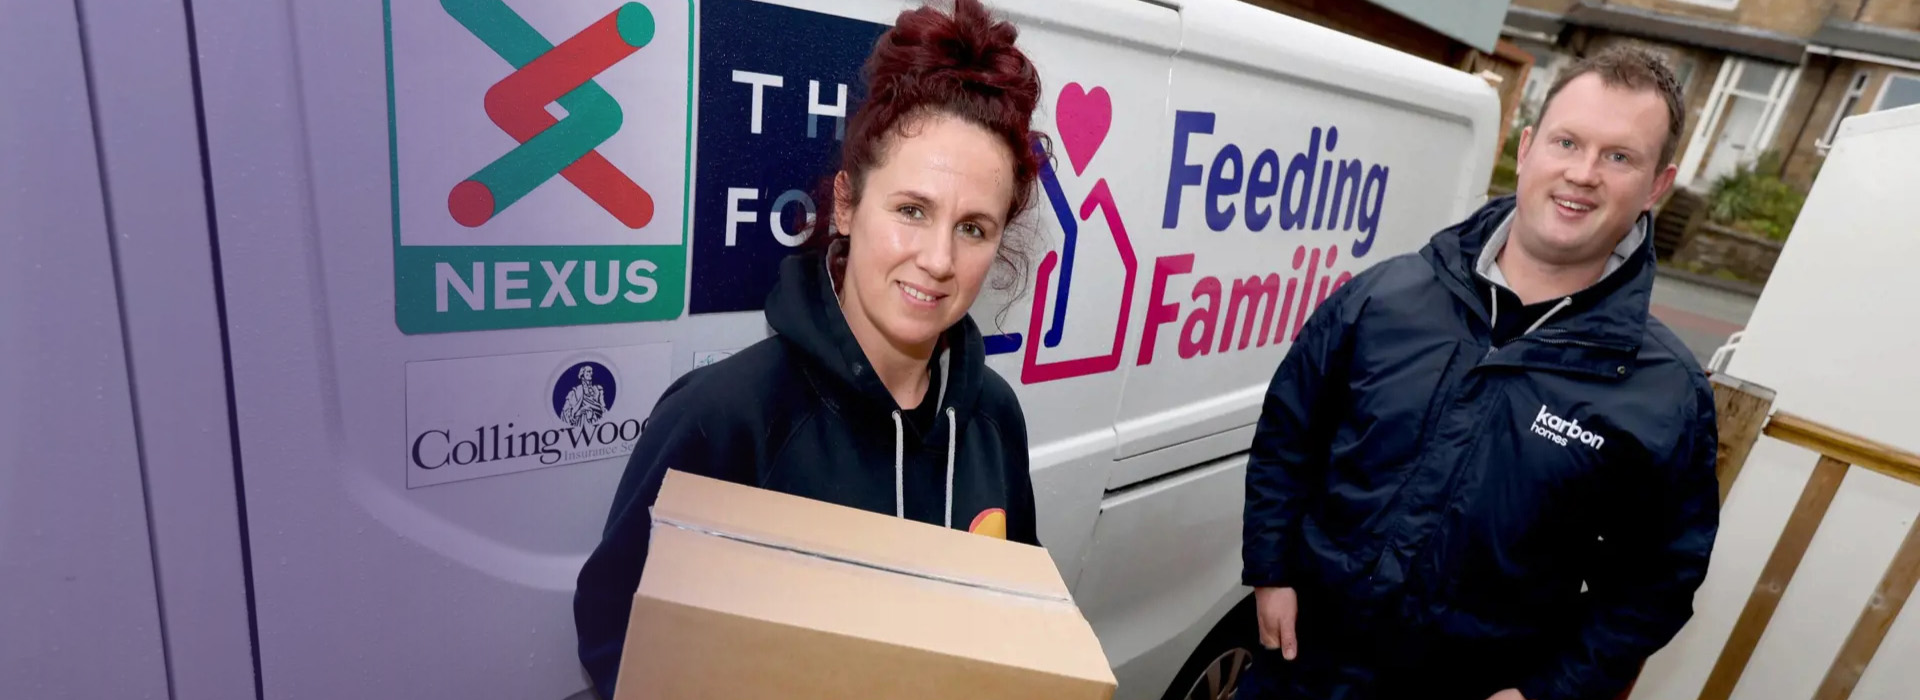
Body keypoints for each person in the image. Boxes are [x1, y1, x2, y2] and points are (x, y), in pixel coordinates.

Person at [572, 1, 1047, 697]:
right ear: (847, 205)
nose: (939, 260)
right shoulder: (726, 418)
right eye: (912, 210)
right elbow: (617, 636)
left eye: (973, 228)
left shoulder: (993, 419)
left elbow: (1019, 623)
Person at [1238, 46, 1720, 700]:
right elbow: (1289, 433)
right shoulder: (1386, 298)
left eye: (1619, 157)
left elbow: (1658, 580)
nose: (1582, 173)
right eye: (1567, 142)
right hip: (1299, 670)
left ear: (1656, 187)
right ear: (1526, 148)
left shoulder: (1662, 391)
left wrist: (1547, 692)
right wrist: (1271, 570)